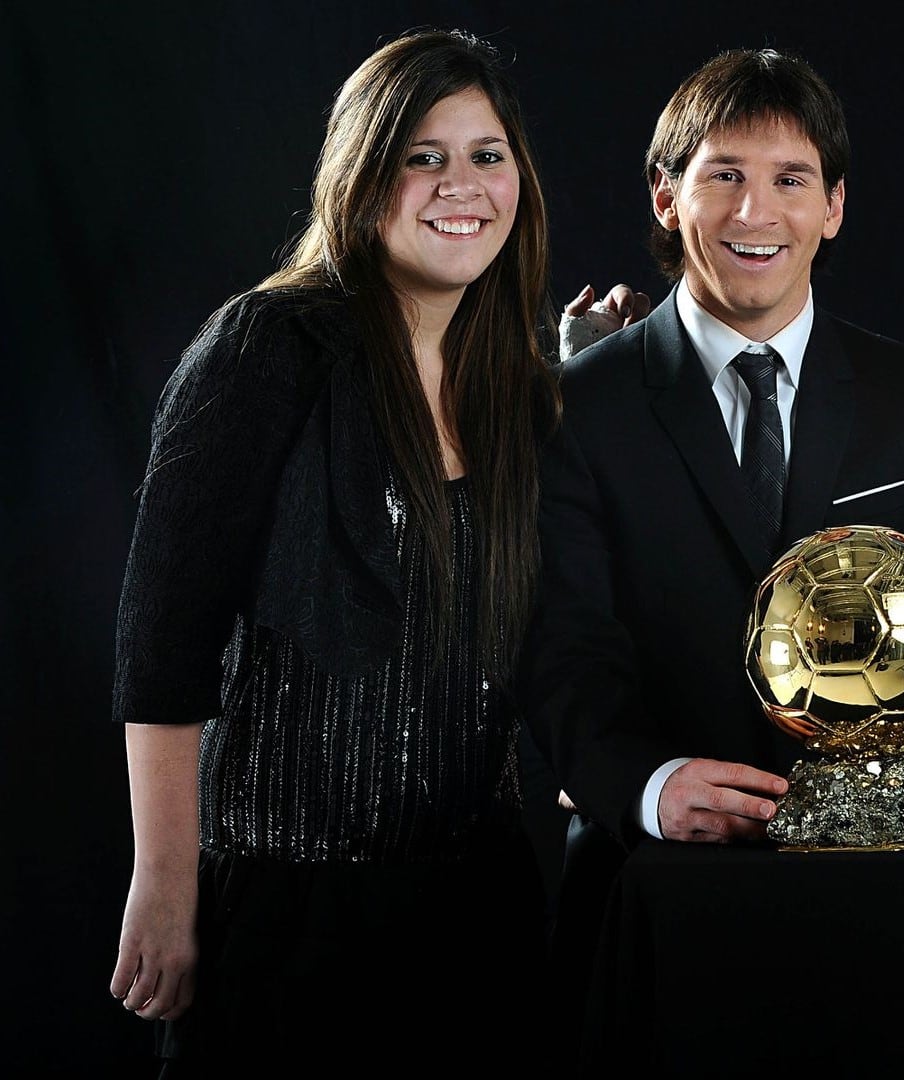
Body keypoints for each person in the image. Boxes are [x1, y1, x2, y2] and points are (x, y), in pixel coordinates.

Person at [519, 46, 904, 1000]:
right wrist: (649, 786)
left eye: (791, 179)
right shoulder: (573, 410)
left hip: (881, 894)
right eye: (725, 177)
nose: (758, 214)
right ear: (668, 199)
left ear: (834, 206)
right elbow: (561, 651)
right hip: (659, 887)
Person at [108, 29, 558, 1074]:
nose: (462, 186)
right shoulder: (267, 347)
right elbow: (162, 640)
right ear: (363, 179)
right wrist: (166, 885)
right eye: (423, 155)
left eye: (487, 154)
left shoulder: (521, 390)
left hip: (476, 915)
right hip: (288, 914)